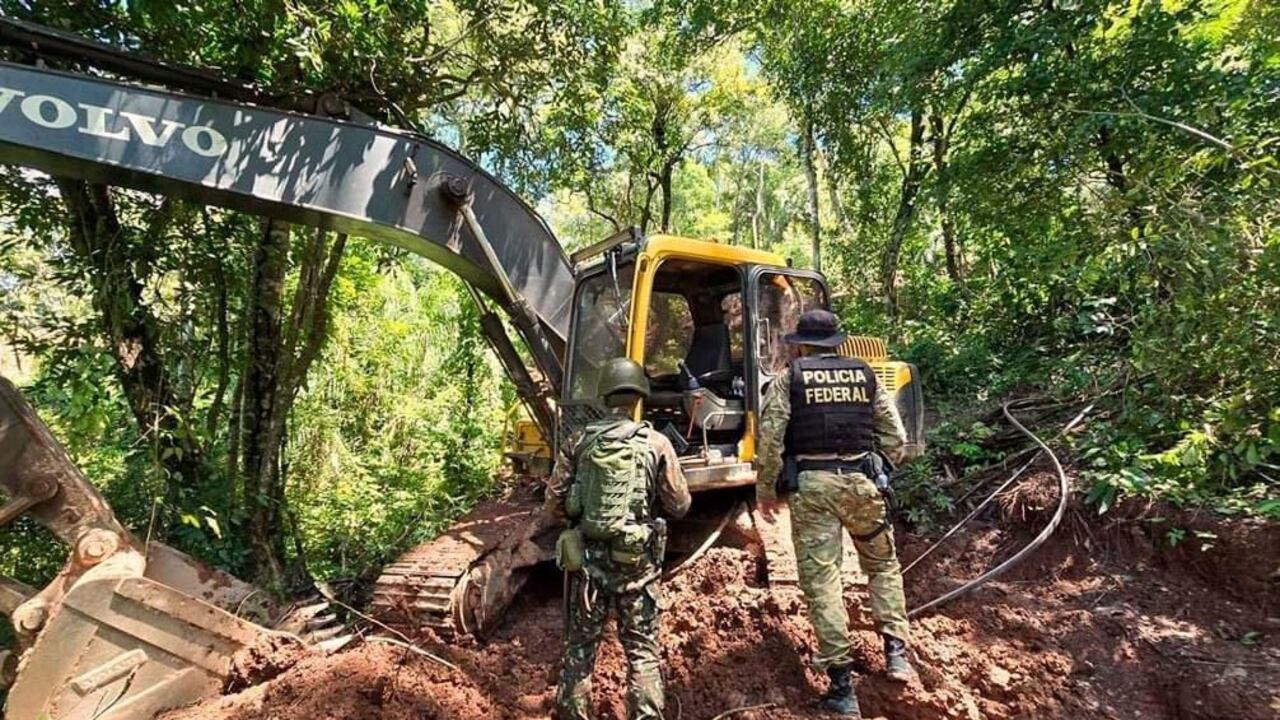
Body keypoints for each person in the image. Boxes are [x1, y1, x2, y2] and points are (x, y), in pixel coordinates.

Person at [754, 309, 917, 717]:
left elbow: (771, 439)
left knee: (823, 581)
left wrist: (766, 491)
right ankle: (897, 655)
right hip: (863, 485)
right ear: (835, 342)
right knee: (883, 566)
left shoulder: (789, 379)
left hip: (813, 489)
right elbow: (896, 436)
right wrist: (881, 466)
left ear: (802, 346)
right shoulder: (865, 374)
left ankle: (843, 689)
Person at [544, 357, 691, 720]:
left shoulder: (579, 441)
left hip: (588, 566)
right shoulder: (656, 443)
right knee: (642, 652)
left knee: (580, 648)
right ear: (639, 395)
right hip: (637, 565)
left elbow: (553, 503)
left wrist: (580, 523)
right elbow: (680, 505)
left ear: (605, 395)